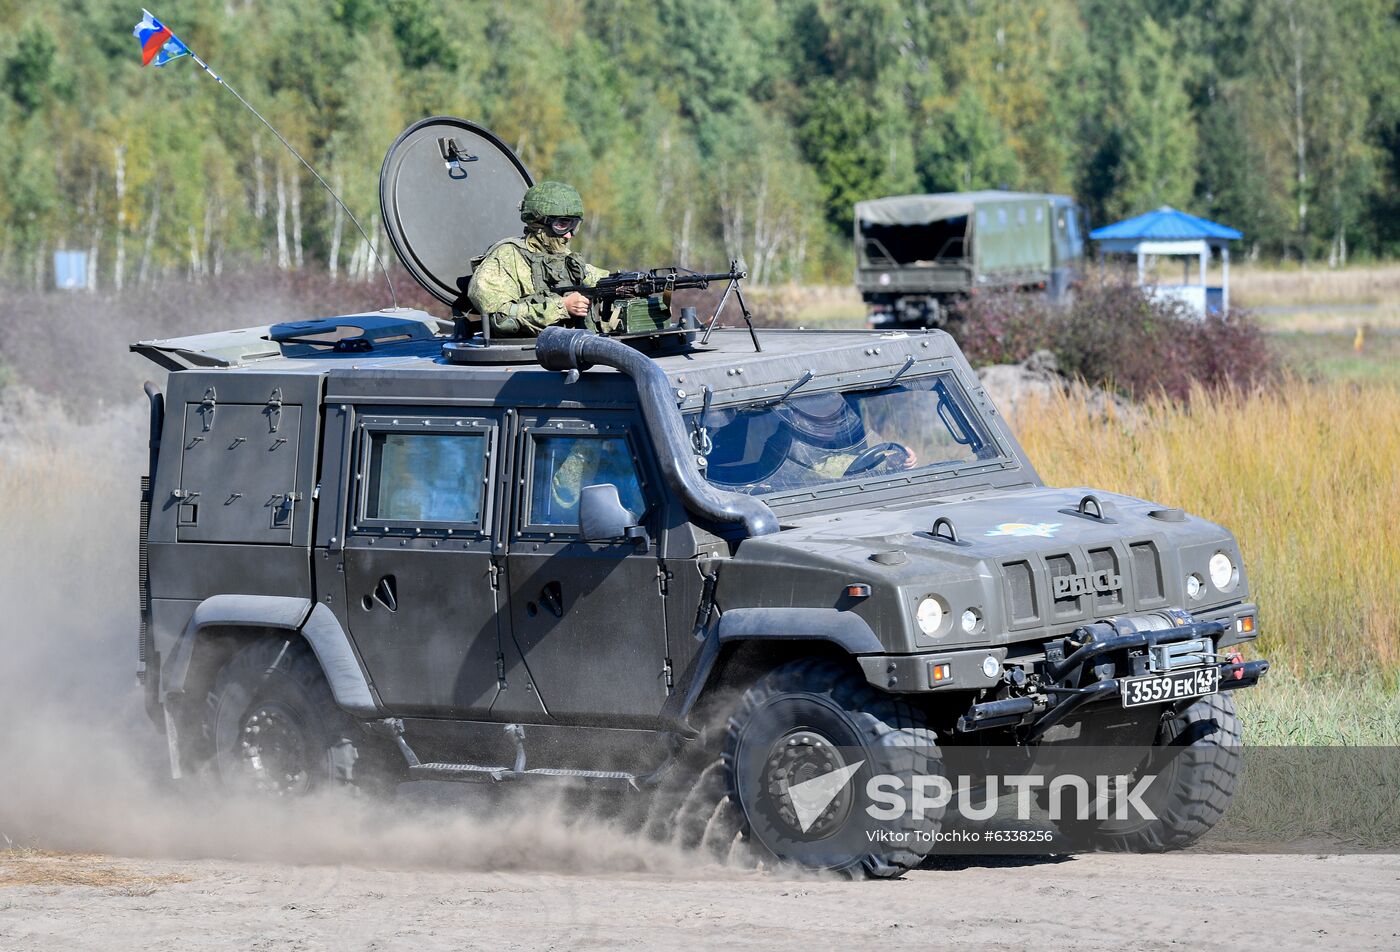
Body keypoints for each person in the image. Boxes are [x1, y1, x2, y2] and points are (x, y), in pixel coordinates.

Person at [467, 181, 608, 337]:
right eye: (562, 225)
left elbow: (603, 281)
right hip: (520, 354)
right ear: (538, 224)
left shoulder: (567, 259)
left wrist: (630, 286)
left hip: (568, 349)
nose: (569, 235)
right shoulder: (506, 258)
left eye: (574, 225)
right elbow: (501, 318)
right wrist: (561, 307)